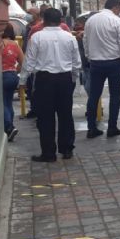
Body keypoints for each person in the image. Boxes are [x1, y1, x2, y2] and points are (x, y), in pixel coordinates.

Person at [19, 9, 81, 162]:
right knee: (66, 115)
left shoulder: (37, 37)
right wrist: (73, 79)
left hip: (44, 80)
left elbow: (29, 61)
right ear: (61, 20)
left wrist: (22, 81)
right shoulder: (69, 37)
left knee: (45, 117)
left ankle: (49, 153)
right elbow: (76, 62)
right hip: (65, 79)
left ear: (43, 20)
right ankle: (67, 149)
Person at [83, 0, 120, 138]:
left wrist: (89, 56)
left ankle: (91, 128)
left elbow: (85, 40)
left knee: (93, 96)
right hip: (114, 63)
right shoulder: (118, 21)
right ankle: (112, 127)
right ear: (116, 7)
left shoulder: (91, 20)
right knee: (115, 96)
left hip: (95, 63)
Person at [1, 24, 24, 142]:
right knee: (9, 102)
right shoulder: (15, 44)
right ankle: (10, 125)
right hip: (12, 75)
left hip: (2, 75)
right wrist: (15, 70)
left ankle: (9, 127)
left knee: (3, 102)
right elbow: (23, 61)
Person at [22, 8, 41, 119]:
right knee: (30, 88)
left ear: (37, 15)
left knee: (34, 89)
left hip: (34, 63)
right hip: (29, 61)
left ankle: (36, 109)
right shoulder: (28, 27)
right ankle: (34, 109)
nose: (27, 15)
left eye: (29, 13)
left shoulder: (36, 29)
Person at [73, 18, 91, 96]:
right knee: (85, 80)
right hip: (83, 63)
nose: (76, 26)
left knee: (88, 84)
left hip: (88, 61)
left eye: (78, 24)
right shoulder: (75, 34)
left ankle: (93, 99)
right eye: (76, 24)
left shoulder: (87, 33)